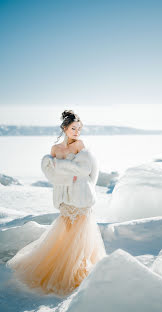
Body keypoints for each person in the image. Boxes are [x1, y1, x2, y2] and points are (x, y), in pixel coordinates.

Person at [6, 110, 106, 297]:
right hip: (64, 198)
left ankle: (79, 271)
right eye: (73, 128)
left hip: (81, 197)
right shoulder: (55, 149)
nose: (77, 132)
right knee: (67, 234)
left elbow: (88, 172)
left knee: (83, 235)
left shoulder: (81, 146)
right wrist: (66, 173)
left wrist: (70, 175)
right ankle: (64, 270)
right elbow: (53, 175)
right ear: (64, 128)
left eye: (79, 129)